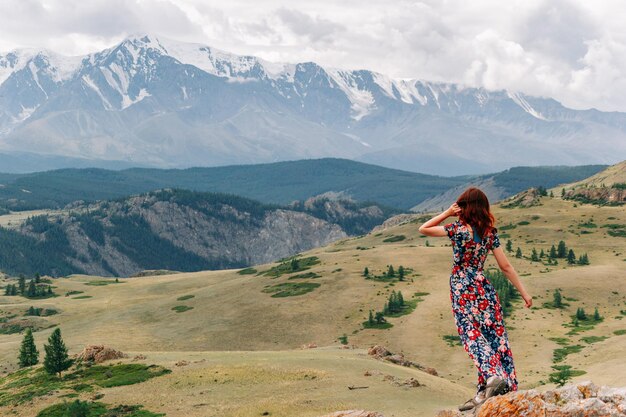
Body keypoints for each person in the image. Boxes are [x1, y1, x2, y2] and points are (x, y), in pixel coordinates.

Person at [418, 187, 532, 411]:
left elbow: (423, 229)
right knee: (495, 338)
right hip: (484, 288)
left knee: (470, 334)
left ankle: (491, 376)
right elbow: (505, 266)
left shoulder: (458, 229)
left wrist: (446, 213)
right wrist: (524, 293)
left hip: (462, 287)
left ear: (464, 206)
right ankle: (491, 390)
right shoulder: (490, 233)